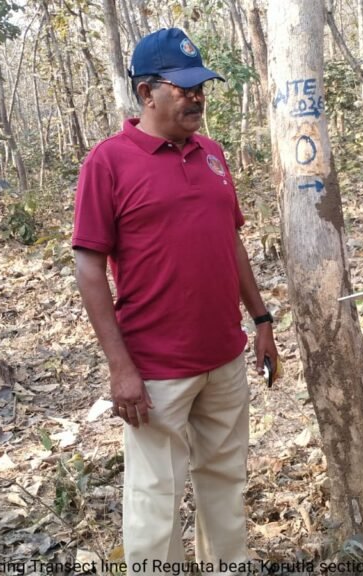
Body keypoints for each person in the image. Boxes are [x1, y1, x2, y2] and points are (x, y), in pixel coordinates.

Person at [72, 28, 279, 571]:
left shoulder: (212, 154)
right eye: (184, 88)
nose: (197, 98)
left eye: (201, 87)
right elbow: (89, 267)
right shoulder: (108, 162)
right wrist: (120, 367)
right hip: (156, 369)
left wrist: (261, 319)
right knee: (154, 501)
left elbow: (230, 240)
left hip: (224, 356)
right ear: (147, 92)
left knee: (225, 481)